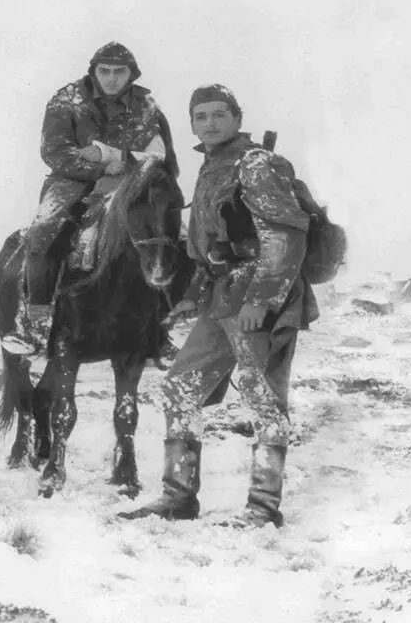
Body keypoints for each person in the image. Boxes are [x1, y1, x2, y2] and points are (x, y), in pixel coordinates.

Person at [119, 85, 318, 528]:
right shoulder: (212, 167)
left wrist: (262, 300)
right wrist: (192, 294)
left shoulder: (256, 163)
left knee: (262, 398)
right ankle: (178, 498)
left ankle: (263, 509)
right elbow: (210, 246)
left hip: (259, 293)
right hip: (222, 295)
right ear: (192, 125)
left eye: (219, 114)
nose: (209, 123)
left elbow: (284, 236)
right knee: (181, 386)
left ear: (237, 118)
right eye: (201, 116)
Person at [2, 41, 178, 355]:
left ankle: (160, 326)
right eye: (104, 71)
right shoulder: (66, 99)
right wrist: (99, 167)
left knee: (170, 233)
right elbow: (55, 151)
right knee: (43, 230)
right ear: (94, 71)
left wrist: (112, 156)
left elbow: (161, 155)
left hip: (131, 180)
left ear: (132, 74)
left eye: (119, 71)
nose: (112, 78)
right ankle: (37, 321)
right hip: (71, 181)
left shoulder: (147, 104)